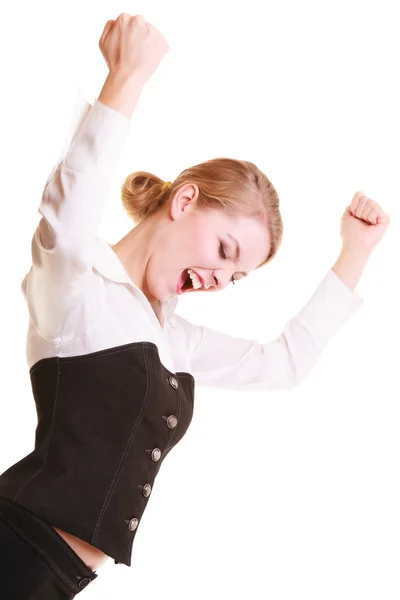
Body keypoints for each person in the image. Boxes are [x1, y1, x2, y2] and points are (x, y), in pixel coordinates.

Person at [0, 12, 391, 599]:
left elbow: (283, 363)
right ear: (184, 201)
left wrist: (355, 253)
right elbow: (69, 208)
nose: (218, 278)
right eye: (223, 250)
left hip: (56, 577)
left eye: (236, 276)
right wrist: (126, 78)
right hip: (15, 549)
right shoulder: (76, 289)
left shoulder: (172, 340)